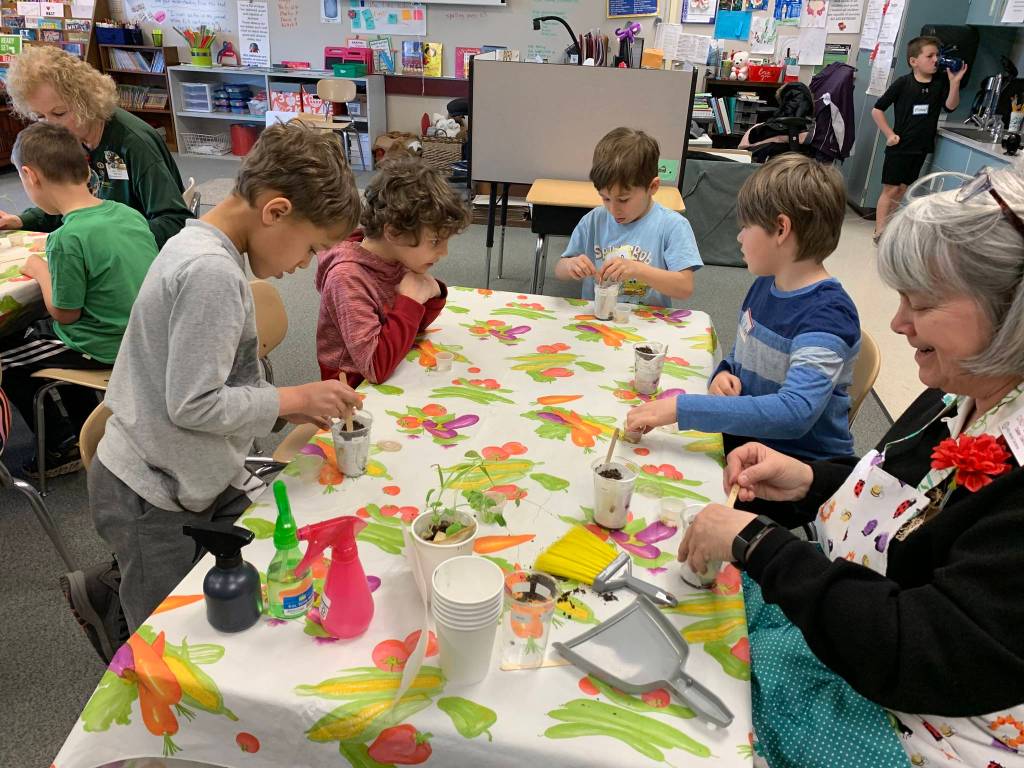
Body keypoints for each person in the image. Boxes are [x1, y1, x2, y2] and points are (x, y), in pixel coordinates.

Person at [680, 165, 1024, 767]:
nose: (896, 323)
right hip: (860, 631)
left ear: (1012, 313)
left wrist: (760, 545)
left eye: (922, 303)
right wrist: (810, 480)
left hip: (928, 722)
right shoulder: (959, 397)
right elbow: (906, 499)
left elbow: (921, 651)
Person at [72, 123, 364, 652]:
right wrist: (290, 399)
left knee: (233, 575)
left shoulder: (203, 244)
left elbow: (209, 381)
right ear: (275, 212)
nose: (303, 265)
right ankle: (114, 608)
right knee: (164, 638)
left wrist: (281, 409)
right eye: (310, 248)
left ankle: (114, 582)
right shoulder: (211, 273)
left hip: (184, 471)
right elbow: (195, 403)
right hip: (152, 491)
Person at [626, 154, 859, 462]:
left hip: (797, 466)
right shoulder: (766, 284)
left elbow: (794, 412)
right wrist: (723, 374)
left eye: (746, 226)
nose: (738, 236)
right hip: (746, 444)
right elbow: (741, 357)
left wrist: (683, 408)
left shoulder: (828, 316)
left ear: (780, 229)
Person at [0, 123, 158, 478]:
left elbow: (66, 314)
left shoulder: (66, 238)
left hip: (104, 345)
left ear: (29, 176)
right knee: (35, 332)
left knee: (7, 360)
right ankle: (85, 422)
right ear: (86, 168)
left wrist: (40, 271)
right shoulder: (126, 214)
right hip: (143, 336)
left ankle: (59, 446)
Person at [2, 46, 192, 249]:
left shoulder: (134, 144)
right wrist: (23, 220)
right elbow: (71, 201)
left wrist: (102, 238)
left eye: (59, 113)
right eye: (39, 117)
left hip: (139, 257)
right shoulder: (74, 140)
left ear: (87, 101)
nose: (50, 126)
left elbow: (176, 222)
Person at [316, 155, 470, 386]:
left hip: (392, 364)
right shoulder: (346, 278)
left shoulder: (396, 256)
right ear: (395, 233)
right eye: (436, 241)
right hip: (351, 388)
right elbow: (375, 368)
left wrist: (431, 293)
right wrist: (410, 301)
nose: (444, 253)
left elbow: (414, 328)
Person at [554, 127, 702, 307]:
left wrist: (638, 270)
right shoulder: (593, 221)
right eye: (605, 198)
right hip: (598, 319)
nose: (613, 209)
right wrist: (571, 266)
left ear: (653, 187)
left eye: (623, 200)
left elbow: (684, 287)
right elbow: (559, 270)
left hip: (647, 323)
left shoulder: (672, 226)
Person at [871, 35, 967, 242]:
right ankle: (879, 231)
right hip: (900, 145)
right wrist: (889, 133)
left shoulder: (940, 82)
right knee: (891, 189)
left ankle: (890, 229)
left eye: (937, 56)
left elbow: (950, 106)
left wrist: (954, 83)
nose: (936, 60)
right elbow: (877, 110)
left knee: (903, 189)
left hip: (921, 146)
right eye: (929, 56)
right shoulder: (903, 83)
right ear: (914, 61)